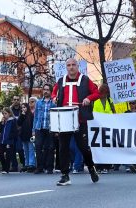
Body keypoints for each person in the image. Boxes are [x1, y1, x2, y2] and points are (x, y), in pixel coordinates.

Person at [52, 58, 100, 186]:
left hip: (80, 119)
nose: (71, 67)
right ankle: (65, 175)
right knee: (63, 148)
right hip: (64, 119)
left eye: (73, 65)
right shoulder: (61, 80)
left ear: (77, 66)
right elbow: (53, 93)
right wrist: (54, 97)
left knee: (83, 147)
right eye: (69, 65)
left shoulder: (85, 80)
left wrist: (89, 98)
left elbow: (97, 93)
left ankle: (91, 167)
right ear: (66, 67)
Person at [32, 84, 56, 174]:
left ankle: (49, 167)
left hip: (50, 128)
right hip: (39, 127)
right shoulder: (38, 102)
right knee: (38, 147)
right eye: (44, 89)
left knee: (50, 148)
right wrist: (33, 130)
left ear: (50, 91)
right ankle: (39, 167)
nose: (45, 91)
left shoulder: (53, 103)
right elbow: (35, 117)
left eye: (47, 90)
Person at [93, 83, 116, 174]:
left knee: (106, 148)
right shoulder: (94, 101)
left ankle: (106, 166)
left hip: (107, 128)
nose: (103, 94)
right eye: (102, 92)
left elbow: (113, 113)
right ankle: (98, 166)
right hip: (97, 128)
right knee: (98, 148)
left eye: (105, 92)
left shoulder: (110, 101)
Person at [0, 107, 18, 174]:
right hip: (2, 141)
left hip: (9, 141)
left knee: (8, 156)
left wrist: (10, 140)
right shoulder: (3, 121)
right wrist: (1, 123)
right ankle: (4, 167)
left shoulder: (13, 121)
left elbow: (15, 132)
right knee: (0, 154)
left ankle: (6, 169)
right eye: (3, 113)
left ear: (9, 113)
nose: (4, 115)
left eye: (5, 113)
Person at [17, 103, 36, 173]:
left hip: (29, 135)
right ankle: (27, 164)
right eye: (22, 108)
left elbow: (32, 125)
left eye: (24, 107)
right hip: (23, 135)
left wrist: (33, 133)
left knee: (31, 150)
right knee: (25, 151)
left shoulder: (30, 115)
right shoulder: (21, 115)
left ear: (27, 108)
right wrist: (22, 115)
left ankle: (32, 164)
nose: (23, 109)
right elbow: (18, 123)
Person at [10, 95, 25, 172]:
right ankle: (14, 166)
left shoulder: (21, 109)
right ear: (12, 100)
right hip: (12, 133)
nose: (16, 101)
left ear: (20, 100)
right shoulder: (10, 109)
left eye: (17, 99)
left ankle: (24, 165)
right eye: (14, 99)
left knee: (20, 149)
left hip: (20, 133)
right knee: (12, 150)